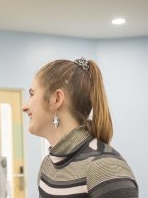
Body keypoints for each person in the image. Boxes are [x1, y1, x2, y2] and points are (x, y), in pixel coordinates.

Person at [22, 57, 139, 198]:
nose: (24, 107)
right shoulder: (47, 166)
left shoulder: (107, 169)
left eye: (32, 94)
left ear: (57, 99)